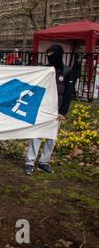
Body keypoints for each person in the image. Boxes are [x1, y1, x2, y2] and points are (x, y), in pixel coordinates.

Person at [24, 44, 74, 175]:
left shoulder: (67, 72)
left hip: (56, 111)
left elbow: (68, 93)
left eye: (52, 54)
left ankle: (43, 162)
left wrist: (63, 111)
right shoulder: (44, 70)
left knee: (51, 138)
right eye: (48, 54)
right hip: (42, 109)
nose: (49, 57)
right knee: (36, 135)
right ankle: (30, 162)